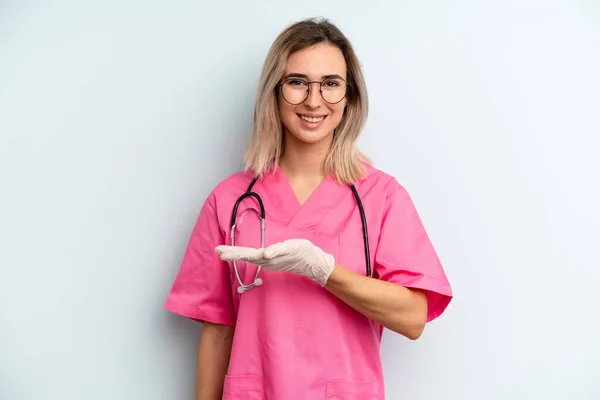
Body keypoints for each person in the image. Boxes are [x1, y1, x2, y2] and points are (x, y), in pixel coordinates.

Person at [164, 17, 453, 400]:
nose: (314, 101)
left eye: (330, 84)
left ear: (349, 96)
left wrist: (325, 272)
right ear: (274, 92)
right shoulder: (230, 200)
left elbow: (413, 317)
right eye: (297, 82)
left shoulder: (380, 197)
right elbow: (217, 330)